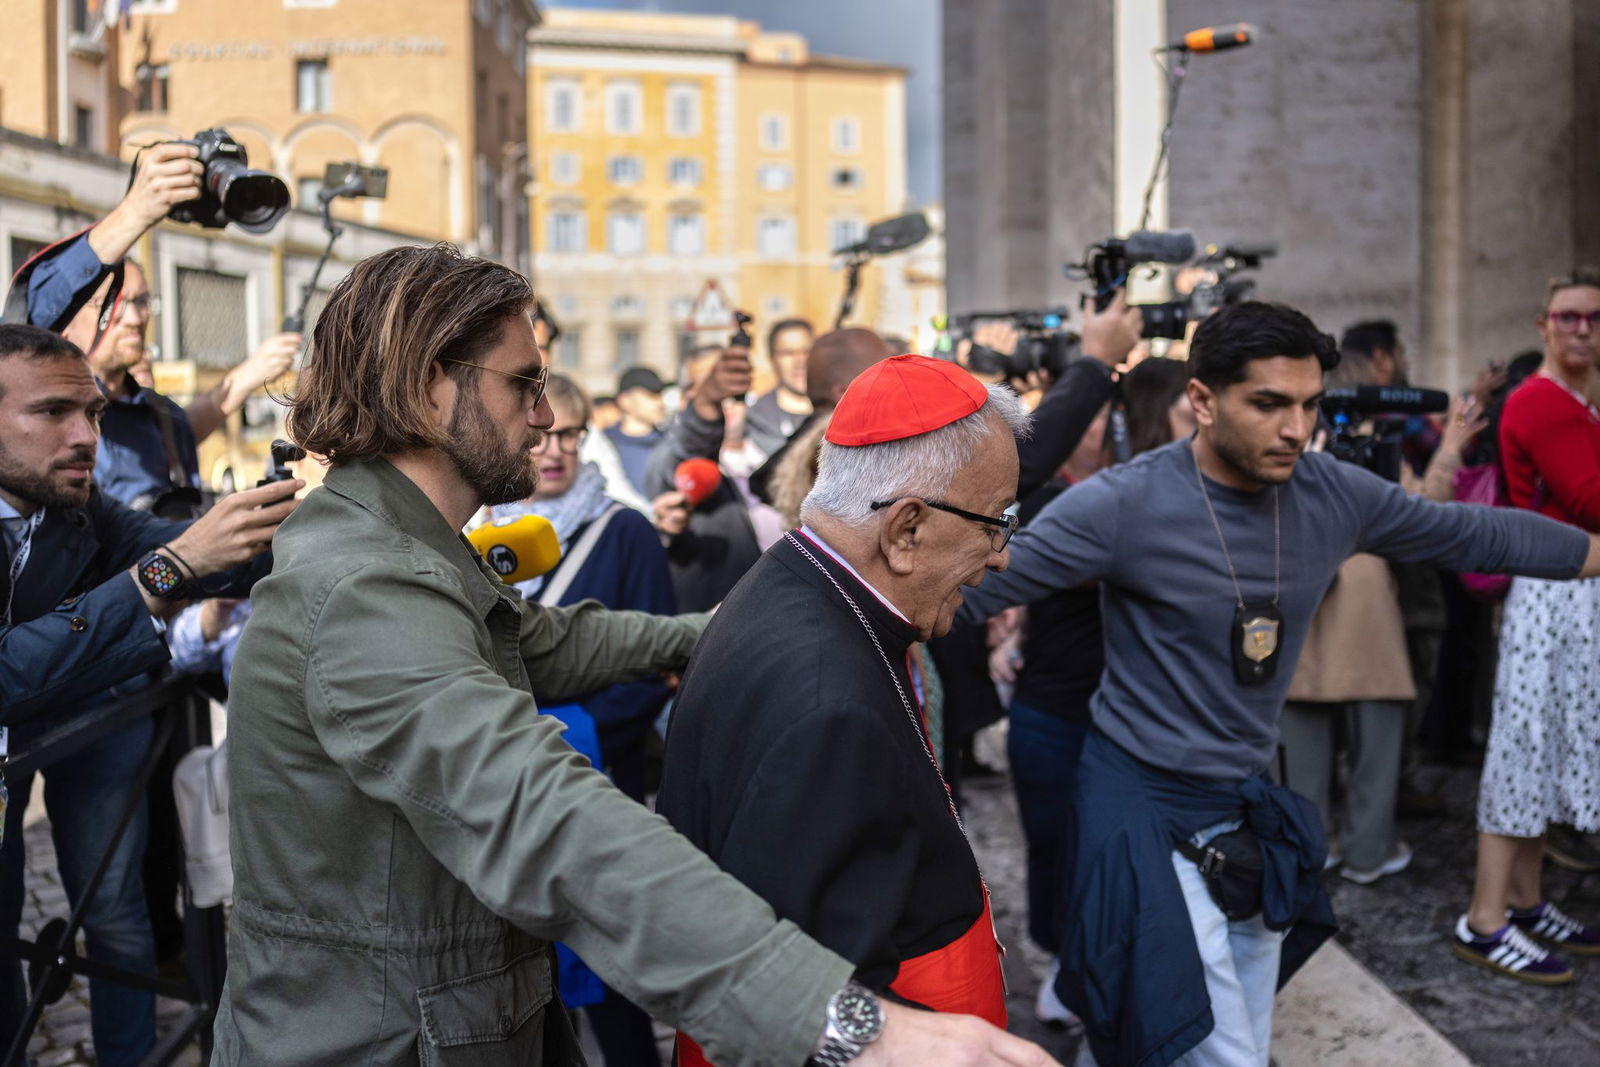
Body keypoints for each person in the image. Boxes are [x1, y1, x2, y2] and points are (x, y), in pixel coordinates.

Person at [213, 243, 1058, 1067]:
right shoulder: (366, 580)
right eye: (524, 384)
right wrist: (840, 1022)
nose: (544, 417)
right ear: (433, 384)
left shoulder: (407, 544)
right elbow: (536, 811)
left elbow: (544, 640)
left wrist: (720, 630)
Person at [957, 300, 1600, 1067]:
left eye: (1308, 404)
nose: (1297, 428)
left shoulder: (1332, 491)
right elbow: (959, 590)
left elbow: (1472, 531)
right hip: (1139, 808)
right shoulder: (1119, 504)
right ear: (1202, 400)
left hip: (1247, 811)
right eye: (1269, 404)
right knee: (1210, 1044)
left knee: (1217, 1034)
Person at [658, 355, 1030, 1067]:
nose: (1001, 558)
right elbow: (810, 1016)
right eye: (994, 525)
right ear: (905, 529)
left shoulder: (799, 587)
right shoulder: (829, 705)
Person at [0, 323, 299, 1067]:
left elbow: (186, 551)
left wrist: (285, 510)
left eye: (95, 413)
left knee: (119, 917)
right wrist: (164, 573)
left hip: (86, 723)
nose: (86, 435)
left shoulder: (77, 500)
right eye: (53, 413)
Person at [478, 372, 675, 1065]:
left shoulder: (625, 531)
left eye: (571, 434)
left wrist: (564, 729)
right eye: (543, 433)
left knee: (611, 961)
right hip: (501, 788)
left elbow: (650, 668)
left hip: (596, 777)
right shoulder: (474, 533)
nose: (555, 449)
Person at [1455, 267, 1600, 983]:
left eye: (1592, 318)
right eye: (1568, 316)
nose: (1581, 328)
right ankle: (1485, 919)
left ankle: (1528, 900)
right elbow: (1589, 498)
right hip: (1550, 593)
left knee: (1541, 753)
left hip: (1571, 594)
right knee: (1521, 750)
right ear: (1544, 325)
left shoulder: (1575, 399)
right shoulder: (1541, 401)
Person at [745, 317, 814, 459]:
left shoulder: (836, 410)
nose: (800, 362)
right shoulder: (755, 418)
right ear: (772, 359)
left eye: (807, 352)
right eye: (788, 353)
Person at [606, 365, 668, 496]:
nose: (660, 403)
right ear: (624, 400)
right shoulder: (602, 444)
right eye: (651, 395)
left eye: (660, 395)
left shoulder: (671, 444)